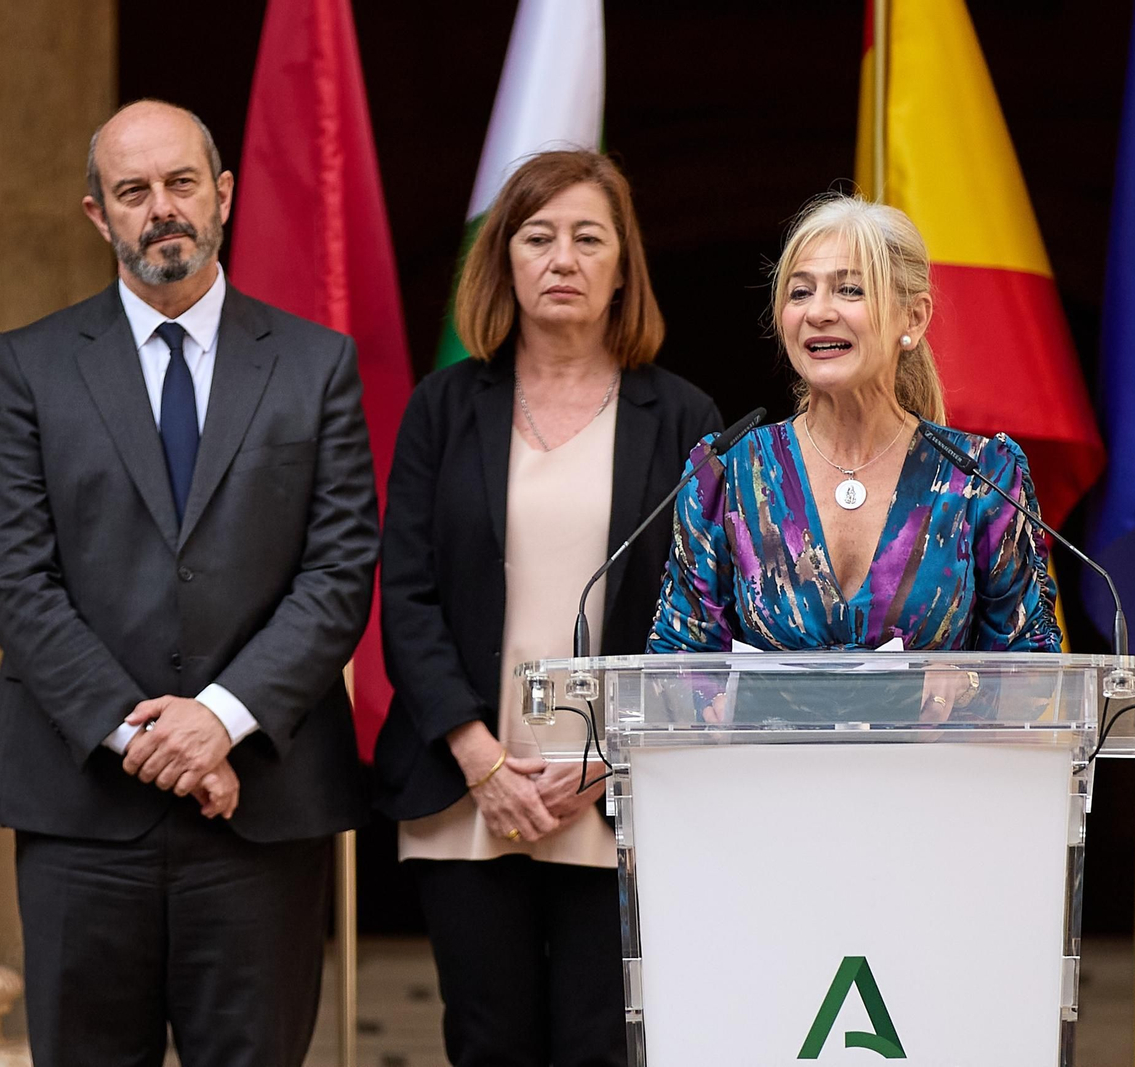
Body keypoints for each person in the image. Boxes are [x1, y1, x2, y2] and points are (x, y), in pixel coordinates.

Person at [0, 99, 377, 1067]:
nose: (162, 209)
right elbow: (15, 578)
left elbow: (338, 567)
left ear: (223, 195)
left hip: (261, 806)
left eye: (181, 183)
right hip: (80, 812)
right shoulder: (29, 366)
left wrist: (222, 718)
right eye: (133, 191)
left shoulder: (316, 366)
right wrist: (150, 735)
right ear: (96, 215)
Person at [374, 149, 721, 1066]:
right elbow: (404, 594)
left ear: (622, 265)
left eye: (587, 238)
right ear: (505, 261)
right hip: (466, 787)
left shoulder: (684, 417)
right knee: (487, 1039)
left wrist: (608, 756)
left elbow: (700, 612)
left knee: (598, 1044)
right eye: (537, 237)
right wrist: (480, 756)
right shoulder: (443, 408)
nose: (562, 258)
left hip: (617, 791)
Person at [647, 195, 1061, 716]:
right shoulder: (725, 473)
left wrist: (968, 684)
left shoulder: (980, 477)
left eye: (850, 290)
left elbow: (1035, 665)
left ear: (912, 316)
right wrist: (713, 704)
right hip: (763, 787)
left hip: (936, 786)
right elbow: (675, 662)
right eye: (800, 292)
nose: (819, 312)